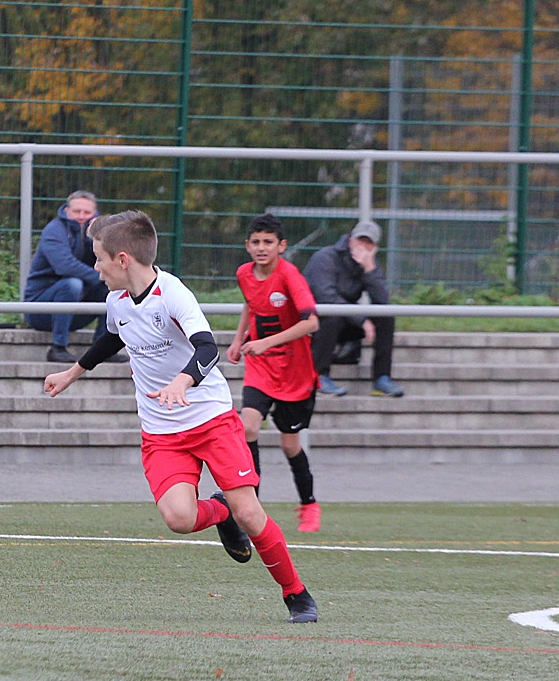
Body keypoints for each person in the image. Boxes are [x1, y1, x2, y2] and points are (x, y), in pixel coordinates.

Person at [44, 210, 318, 623]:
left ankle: (296, 594)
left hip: (210, 418)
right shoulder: (116, 301)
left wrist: (182, 382)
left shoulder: (172, 293)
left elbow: (207, 347)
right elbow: (112, 338)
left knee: (250, 513)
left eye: (99, 259)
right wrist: (72, 373)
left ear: (122, 260)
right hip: (161, 431)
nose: (95, 268)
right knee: (179, 518)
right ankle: (220, 511)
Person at [225, 214, 322, 532]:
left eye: (268, 242)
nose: (261, 247)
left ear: (281, 246)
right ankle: (250, 506)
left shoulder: (290, 275)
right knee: (247, 427)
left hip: (295, 372)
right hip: (261, 368)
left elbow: (312, 322)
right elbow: (250, 304)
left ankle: (309, 504)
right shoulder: (244, 273)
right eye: (255, 242)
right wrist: (239, 340)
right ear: (247, 245)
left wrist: (265, 342)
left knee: (289, 445)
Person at [303, 219, 405, 398]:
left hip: (344, 320)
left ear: (375, 248)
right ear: (350, 240)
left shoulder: (367, 265)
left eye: (369, 243)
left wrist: (369, 269)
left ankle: (382, 378)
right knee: (331, 315)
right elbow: (326, 298)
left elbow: (383, 302)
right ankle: (319, 377)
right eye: (360, 240)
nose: (363, 246)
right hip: (311, 321)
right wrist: (361, 319)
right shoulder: (325, 258)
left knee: (386, 316)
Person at [23, 189, 109, 363]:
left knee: (113, 288)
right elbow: (64, 266)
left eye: (87, 212)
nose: (81, 216)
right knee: (72, 284)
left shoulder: (100, 234)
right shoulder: (54, 230)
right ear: (67, 211)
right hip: (41, 309)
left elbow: (110, 262)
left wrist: (93, 239)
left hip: (76, 309)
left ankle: (104, 349)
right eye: (77, 211)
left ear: (95, 214)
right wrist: (101, 277)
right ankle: (58, 348)